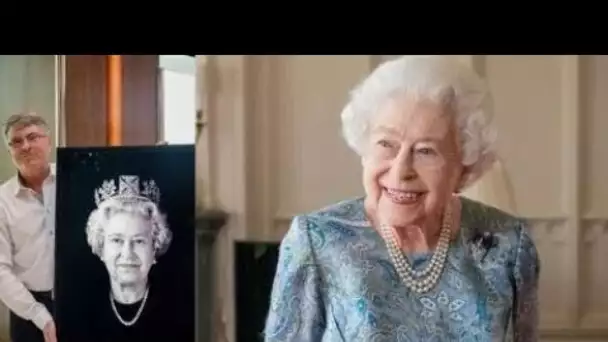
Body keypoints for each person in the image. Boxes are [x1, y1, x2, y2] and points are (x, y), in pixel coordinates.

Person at [264, 56, 540, 341]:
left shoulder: (507, 244)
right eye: (386, 144)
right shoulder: (317, 242)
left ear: (464, 165)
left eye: (425, 151)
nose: (401, 171)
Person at [84, 175, 176, 341]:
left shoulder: (179, 314)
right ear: (101, 248)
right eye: (117, 240)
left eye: (139, 241)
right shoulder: (80, 313)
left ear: (154, 248)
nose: (127, 253)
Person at [0, 113, 57, 342]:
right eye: (17, 141)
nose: (25, 146)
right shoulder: (2, 200)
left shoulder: (75, 179)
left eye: (33, 137)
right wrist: (38, 314)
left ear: (48, 142)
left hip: (82, 300)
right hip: (28, 311)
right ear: (9, 151)